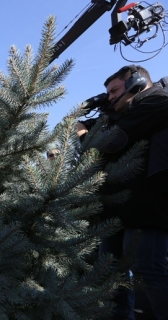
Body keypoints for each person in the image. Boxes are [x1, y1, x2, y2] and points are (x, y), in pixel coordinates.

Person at [76, 65, 168, 319]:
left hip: (148, 207)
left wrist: (84, 134)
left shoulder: (158, 103)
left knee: (147, 272)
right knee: (109, 277)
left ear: (137, 82)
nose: (110, 97)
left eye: (114, 90)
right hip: (118, 209)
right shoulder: (127, 112)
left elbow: (112, 141)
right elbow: (110, 122)